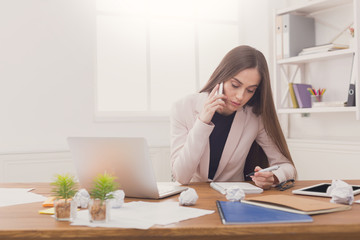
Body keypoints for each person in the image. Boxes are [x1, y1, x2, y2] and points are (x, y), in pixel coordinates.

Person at [170, 45, 296, 189]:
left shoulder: (255, 117)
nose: (240, 96)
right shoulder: (183, 107)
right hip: (192, 196)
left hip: (234, 197)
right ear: (221, 77)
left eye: (250, 90)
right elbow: (181, 176)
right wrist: (202, 123)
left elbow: (286, 166)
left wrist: (273, 177)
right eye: (235, 85)